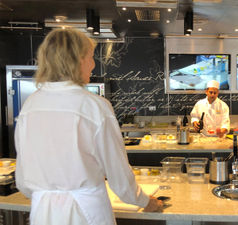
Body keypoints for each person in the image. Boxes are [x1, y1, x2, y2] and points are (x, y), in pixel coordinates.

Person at [14, 28, 163, 225]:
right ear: (76, 60)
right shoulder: (94, 105)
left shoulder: (30, 105)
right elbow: (117, 172)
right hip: (86, 212)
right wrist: (144, 201)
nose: (93, 65)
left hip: (43, 212)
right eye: (90, 57)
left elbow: (23, 182)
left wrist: (48, 194)